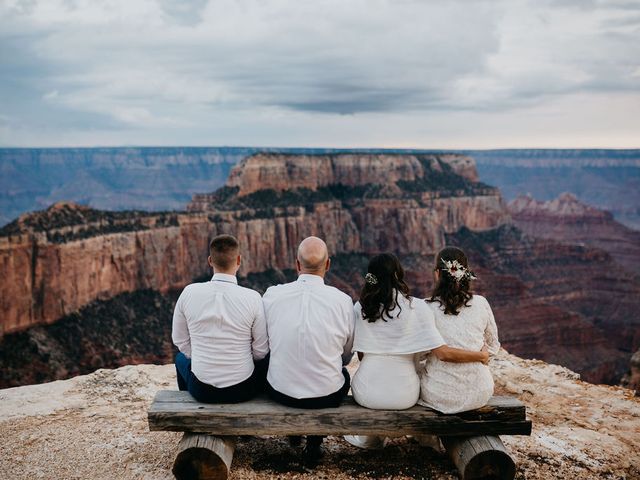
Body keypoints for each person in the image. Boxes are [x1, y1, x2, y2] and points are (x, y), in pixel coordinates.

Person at [343, 253, 489, 449]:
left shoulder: (360, 307)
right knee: (419, 373)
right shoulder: (418, 307)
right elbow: (430, 352)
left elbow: (360, 353)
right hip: (406, 395)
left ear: (371, 277)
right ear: (398, 274)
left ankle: (372, 438)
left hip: (367, 393)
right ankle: (421, 436)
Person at [263, 236, 355, 466]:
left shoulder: (272, 295)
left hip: (280, 391)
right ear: (328, 265)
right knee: (341, 375)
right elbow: (347, 353)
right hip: (327, 395)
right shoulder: (343, 301)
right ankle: (314, 443)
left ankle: (294, 433)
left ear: (296, 264)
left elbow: (264, 343)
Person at [172, 234, 269, 403]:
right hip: (242, 389)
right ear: (239, 260)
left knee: (180, 358)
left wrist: (202, 357)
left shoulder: (189, 292)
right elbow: (261, 351)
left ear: (210, 260)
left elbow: (179, 340)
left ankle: (190, 410)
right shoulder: (253, 298)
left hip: (202, 390)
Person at [418, 246, 500, 414]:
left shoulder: (425, 308)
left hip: (440, 395)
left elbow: (419, 354)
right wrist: (479, 354)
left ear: (438, 274)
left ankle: (427, 436)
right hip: (480, 393)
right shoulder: (481, 303)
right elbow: (492, 347)